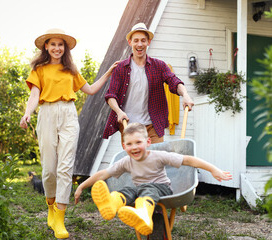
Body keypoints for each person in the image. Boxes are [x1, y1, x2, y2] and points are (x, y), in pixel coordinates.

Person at [19, 28, 118, 239]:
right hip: (46, 114)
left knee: (66, 168)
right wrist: (27, 114)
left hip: (69, 115)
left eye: (60, 45)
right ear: (46, 46)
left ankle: (60, 219)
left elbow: (90, 90)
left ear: (65, 48)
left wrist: (108, 73)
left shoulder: (71, 70)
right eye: (53, 44)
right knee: (49, 170)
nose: (57, 48)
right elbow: (35, 95)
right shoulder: (39, 69)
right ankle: (51, 207)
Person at [75, 123, 232, 236]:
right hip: (140, 189)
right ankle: (112, 203)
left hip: (162, 187)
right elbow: (104, 174)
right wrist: (82, 186)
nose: (134, 147)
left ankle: (144, 215)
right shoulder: (125, 161)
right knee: (127, 190)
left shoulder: (158, 156)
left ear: (148, 142)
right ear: (124, 147)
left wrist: (213, 169)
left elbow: (188, 160)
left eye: (138, 142)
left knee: (147, 188)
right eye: (129, 144)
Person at [103, 22, 194, 144]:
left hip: (153, 126)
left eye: (143, 40)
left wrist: (185, 95)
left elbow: (174, 81)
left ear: (148, 42)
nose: (139, 44)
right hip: (129, 126)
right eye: (136, 40)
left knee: (156, 160)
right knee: (136, 162)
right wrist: (119, 112)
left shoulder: (159, 66)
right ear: (130, 42)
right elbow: (110, 95)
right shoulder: (121, 68)